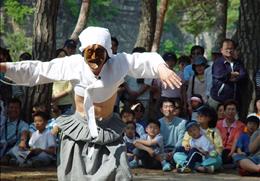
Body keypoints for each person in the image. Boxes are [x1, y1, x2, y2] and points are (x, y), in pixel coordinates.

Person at [0, 26, 181, 181]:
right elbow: (38, 69)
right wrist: (4, 67)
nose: (94, 56)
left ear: (108, 52)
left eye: (99, 51)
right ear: (83, 51)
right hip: (78, 129)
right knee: (75, 176)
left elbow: (144, 60)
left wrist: (161, 68)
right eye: (89, 51)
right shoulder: (73, 64)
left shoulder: (119, 62)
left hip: (109, 129)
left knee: (121, 173)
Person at [175, 105, 223, 173]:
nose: (198, 117)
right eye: (198, 115)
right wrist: (186, 146)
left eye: (201, 116)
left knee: (218, 160)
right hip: (191, 155)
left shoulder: (214, 131)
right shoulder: (191, 128)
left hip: (207, 157)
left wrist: (214, 153)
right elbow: (185, 142)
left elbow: (219, 148)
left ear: (209, 118)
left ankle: (191, 166)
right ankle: (200, 168)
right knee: (177, 155)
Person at [209, 39, 246, 109]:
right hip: (217, 99)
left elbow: (243, 74)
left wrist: (235, 79)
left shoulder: (237, 62)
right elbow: (220, 75)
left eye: (231, 49)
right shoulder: (218, 62)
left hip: (232, 101)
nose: (229, 51)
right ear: (221, 50)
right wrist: (234, 74)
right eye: (226, 49)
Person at [158, 97, 186, 165]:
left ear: (174, 109)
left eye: (171, 107)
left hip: (176, 150)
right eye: (165, 107)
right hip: (162, 151)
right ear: (161, 110)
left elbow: (181, 140)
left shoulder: (182, 122)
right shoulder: (158, 123)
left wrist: (173, 152)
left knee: (179, 155)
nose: (168, 109)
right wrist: (164, 153)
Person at [216, 99, 245, 165]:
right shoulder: (218, 124)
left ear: (236, 111)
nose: (230, 112)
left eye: (233, 109)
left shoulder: (241, 125)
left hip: (232, 150)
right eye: (228, 109)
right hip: (219, 150)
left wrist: (231, 152)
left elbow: (236, 139)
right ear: (225, 111)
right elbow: (217, 139)